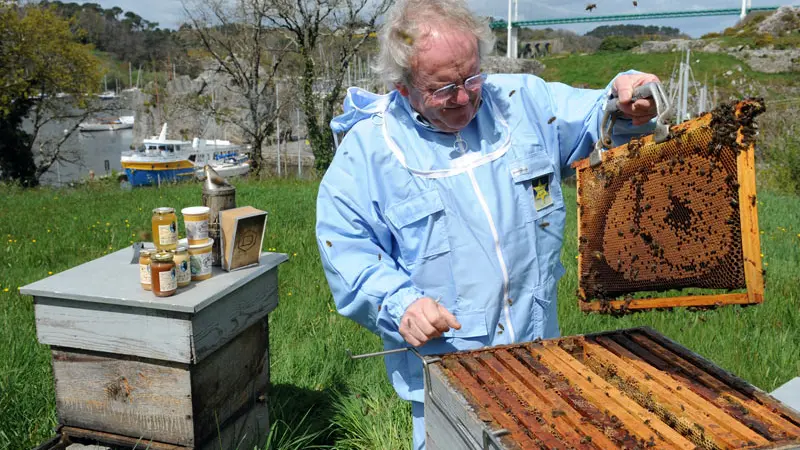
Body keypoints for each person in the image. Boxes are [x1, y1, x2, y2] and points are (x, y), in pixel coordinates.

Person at [315, 1, 659, 448]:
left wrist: (628, 96)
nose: (464, 97)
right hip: (448, 378)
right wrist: (400, 304)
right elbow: (346, 246)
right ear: (403, 88)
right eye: (443, 87)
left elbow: (600, 115)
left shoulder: (523, 102)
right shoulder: (368, 152)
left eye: (472, 78)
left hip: (540, 358)